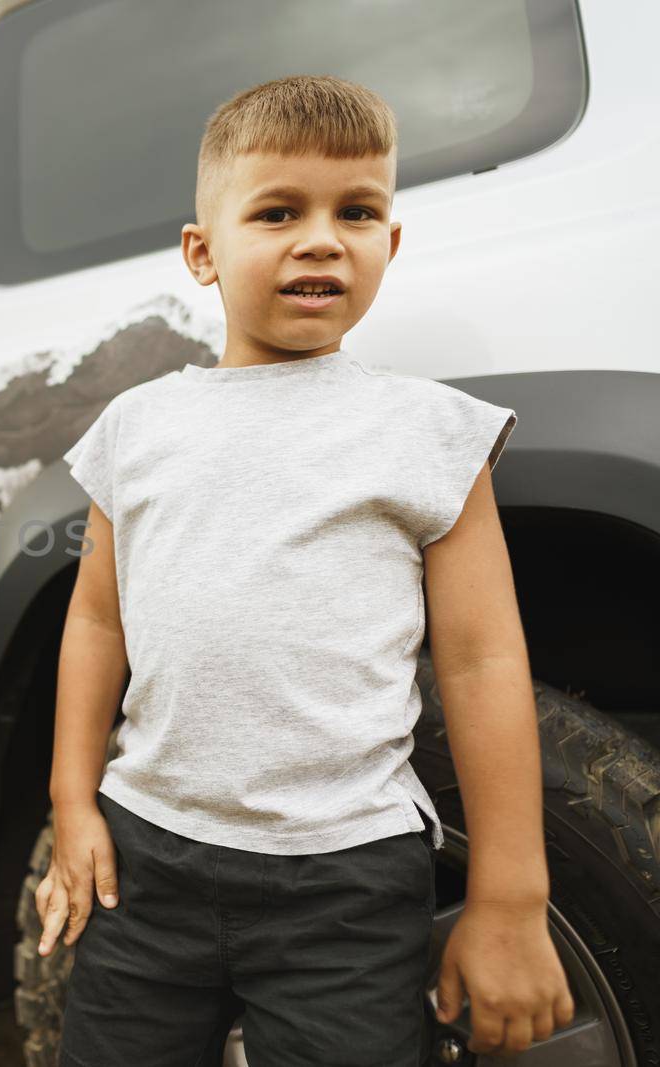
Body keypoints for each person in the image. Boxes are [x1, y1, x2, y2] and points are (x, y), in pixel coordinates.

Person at [40, 75, 575, 1064]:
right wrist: (73, 801)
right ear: (203, 252)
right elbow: (96, 621)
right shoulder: (136, 428)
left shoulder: (431, 433)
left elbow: (481, 660)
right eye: (279, 211)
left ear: (390, 245)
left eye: (357, 212)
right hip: (146, 863)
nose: (323, 238)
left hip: (344, 881)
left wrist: (510, 892)